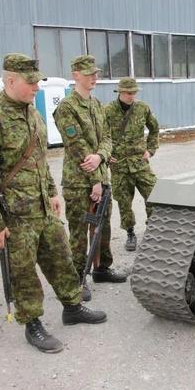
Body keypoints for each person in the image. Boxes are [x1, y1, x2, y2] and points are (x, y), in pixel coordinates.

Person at [0, 53, 106, 354]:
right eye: (30, 83)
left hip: (43, 207)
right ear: (10, 81)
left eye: (38, 82)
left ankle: (72, 307)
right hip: (15, 215)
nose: (36, 88)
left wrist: (53, 192)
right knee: (24, 271)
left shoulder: (33, 114)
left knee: (61, 257)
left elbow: (39, 161)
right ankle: (32, 323)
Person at [53, 55, 126, 302]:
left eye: (96, 73)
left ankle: (102, 269)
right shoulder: (66, 108)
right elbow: (76, 146)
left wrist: (101, 156)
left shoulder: (96, 105)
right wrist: (95, 174)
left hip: (100, 175)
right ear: (76, 75)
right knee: (79, 231)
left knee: (103, 225)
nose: (94, 77)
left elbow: (107, 138)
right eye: (89, 74)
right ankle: (77, 278)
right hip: (78, 182)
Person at [105, 77, 159, 251]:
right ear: (120, 92)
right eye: (128, 93)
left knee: (154, 194)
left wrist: (150, 150)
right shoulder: (107, 111)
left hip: (140, 163)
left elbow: (154, 129)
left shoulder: (143, 108)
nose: (132, 96)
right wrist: (105, 155)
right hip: (119, 165)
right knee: (124, 202)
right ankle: (130, 233)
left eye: (134, 92)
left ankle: (153, 228)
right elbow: (99, 136)